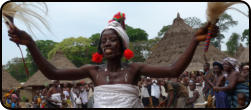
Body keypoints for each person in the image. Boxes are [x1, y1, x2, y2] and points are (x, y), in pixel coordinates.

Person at [7, 12, 218, 108]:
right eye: (104, 41)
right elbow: (53, 73)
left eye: (112, 40)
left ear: (123, 46)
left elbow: (173, 70)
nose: (107, 44)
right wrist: (31, 44)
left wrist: (194, 40)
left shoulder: (135, 69)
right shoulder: (93, 71)